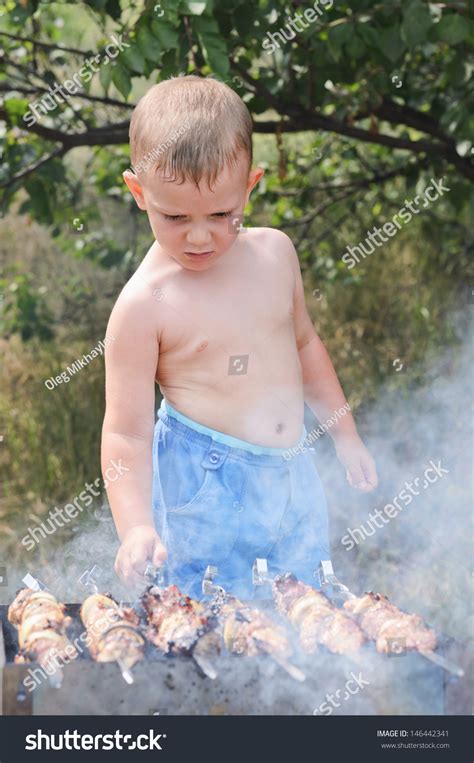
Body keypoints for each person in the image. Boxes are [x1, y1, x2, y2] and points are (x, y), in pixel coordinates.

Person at [102, 75, 378, 600]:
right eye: (176, 216)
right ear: (139, 192)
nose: (200, 236)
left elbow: (304, 346)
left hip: (293, 479)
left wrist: (345, 435)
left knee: (305, 608)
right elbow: (126, 434)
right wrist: (135, 526)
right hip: (206, 492)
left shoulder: (276, 254)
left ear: (250, 186)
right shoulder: (142, 307)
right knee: (213, 620)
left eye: (222, 214)